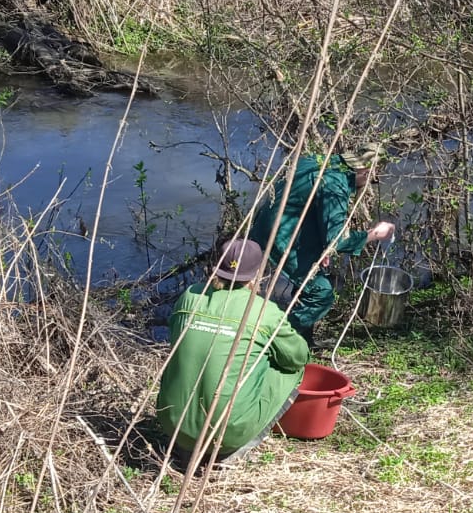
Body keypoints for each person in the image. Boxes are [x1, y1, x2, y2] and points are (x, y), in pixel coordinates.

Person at [155, 238, 308, 464]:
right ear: (258, 274)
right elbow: (297, 358)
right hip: (226, 434)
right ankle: (236, 445)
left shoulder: (189, 296)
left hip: (172, 422)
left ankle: (190, 441)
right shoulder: (265, 312)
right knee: (291, 370)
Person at [246, 143, 397, 346]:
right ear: (365, 170)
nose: (370, 182)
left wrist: (321, 248)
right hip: (279, 235)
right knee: (321, 294)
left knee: (309, 284)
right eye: (373, 177)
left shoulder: (317, 161)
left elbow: (306, 210)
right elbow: (338, 241)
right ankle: (270, 342)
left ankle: (304, 342)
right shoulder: (335, 185)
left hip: (271, 224)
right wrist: (375, 234)